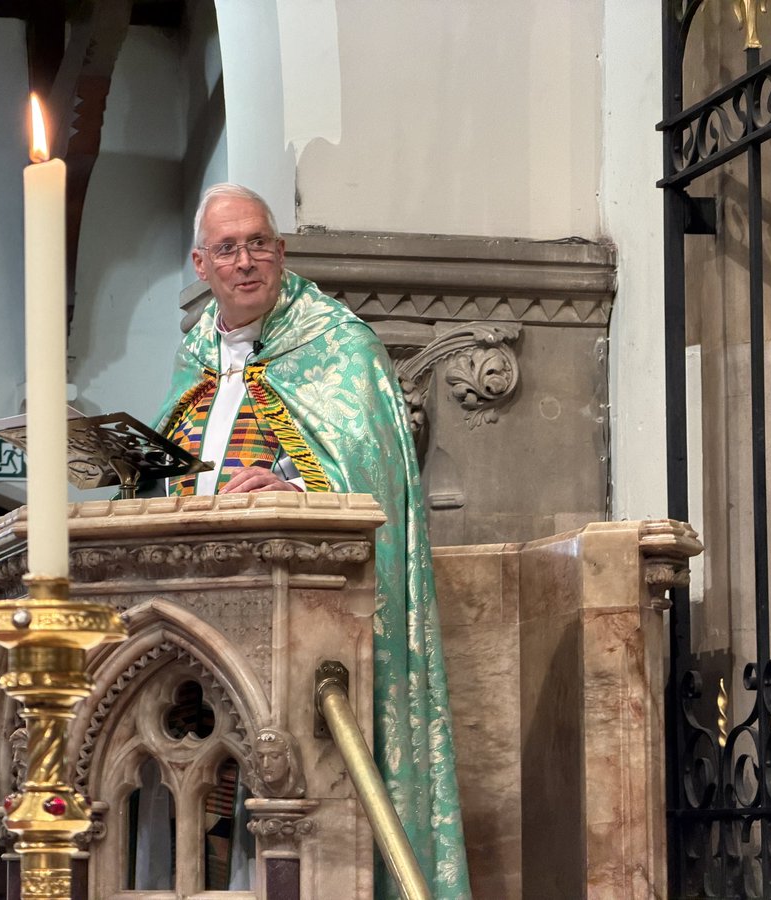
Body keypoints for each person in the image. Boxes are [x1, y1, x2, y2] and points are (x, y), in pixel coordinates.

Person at [152, 183, 471, 898]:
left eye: (259, 243)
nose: (246, 261)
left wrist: (293, 488)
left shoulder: (337, 344)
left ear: (282, 251)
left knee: (291, 793)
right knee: (201, 801)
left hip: (301, 615)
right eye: (228, 248)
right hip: (198, 612)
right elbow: (173, 469)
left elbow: (372, 471)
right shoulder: (195, 355)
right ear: (201, 265)